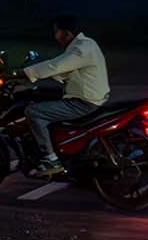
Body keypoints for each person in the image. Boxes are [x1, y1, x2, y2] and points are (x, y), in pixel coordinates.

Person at [19, 13, 110, 178]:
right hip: (91, 98)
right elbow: (63, 69)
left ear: (66, 33)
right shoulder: (85, 44)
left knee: (33, 111)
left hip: (84, 102)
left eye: (57, 32)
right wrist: (38, 68)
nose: (56, 36)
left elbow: (56, 66)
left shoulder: (81, 48)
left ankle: (51, 159)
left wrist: (23, 73)